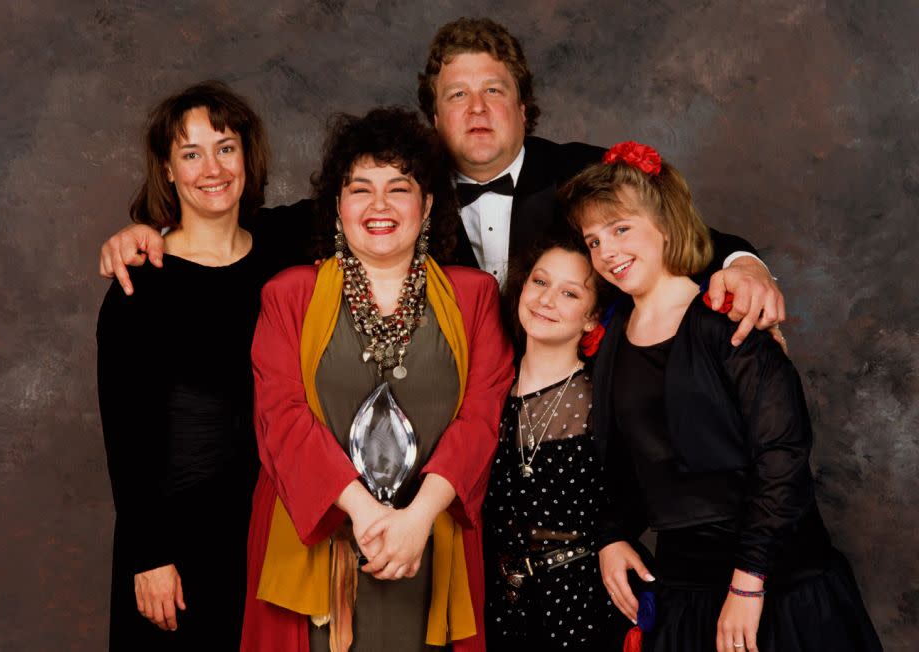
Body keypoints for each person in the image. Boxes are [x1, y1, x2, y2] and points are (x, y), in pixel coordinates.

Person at [97, 17, 784, 349]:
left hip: (580, 433)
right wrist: (156, 232)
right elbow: (268, 229)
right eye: (458, 96)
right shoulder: (398, 193)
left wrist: (746, 264)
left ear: (523, 105)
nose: (478, 110)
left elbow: (686, 234)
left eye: (494, 91)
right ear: (434, 114)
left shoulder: (582, 174)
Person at [563, 141, 882, 652]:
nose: (608, 253)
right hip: (685, 592)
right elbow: (630, 465)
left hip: (774, 585)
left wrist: (748, 581)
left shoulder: (728, 320)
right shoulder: (613, 340)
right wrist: (611, 535)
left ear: (665, 223)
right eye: (594, 241)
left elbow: (782, 457)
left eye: (620, 229)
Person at [241, 106, 514, 651]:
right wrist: (365, 514)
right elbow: (282, 421)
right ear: (337, 206)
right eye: (360, 189)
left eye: (399, 188)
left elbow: (481, 421)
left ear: (429, 203)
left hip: (431, 542)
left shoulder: (474, 296)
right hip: (316, 544)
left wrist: (414, 522)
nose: (379, 206)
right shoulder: (288, 296)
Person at [97, 81, 290, 649]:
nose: (212, 168)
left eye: (225, 147)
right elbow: (125, 435)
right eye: (191, 153)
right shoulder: (142, 281)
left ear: (246, 157)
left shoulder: (285, 250)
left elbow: (375, 199)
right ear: (168, 170)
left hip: (269, 529)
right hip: (173, 542)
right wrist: (148, 554)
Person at [482, 233, 633, 651]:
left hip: (579, 601)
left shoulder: (602, 398)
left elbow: (635, 495)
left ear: (591, 317)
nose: (546, 300)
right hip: (498, 602)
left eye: (569, 293)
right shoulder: (487, 387)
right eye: (539, 282)